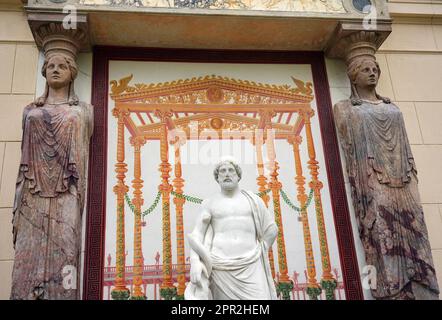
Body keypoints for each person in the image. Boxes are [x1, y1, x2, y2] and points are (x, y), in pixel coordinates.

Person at [333, 57, 439, 300]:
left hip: (404, 178)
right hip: (373, 180)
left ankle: (422, 284)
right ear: (353, 76)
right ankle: (392, 288)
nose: (372, 73)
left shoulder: (393, 107)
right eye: (365, 70)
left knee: (414, 228)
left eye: (375, 70)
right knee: (382, 230)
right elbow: (349, 146)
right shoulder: (345, 108)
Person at [10, 53, 93, 300]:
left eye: (62, 66)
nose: (56, 70)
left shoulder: (84, 111)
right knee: (27, 248)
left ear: (72, 73)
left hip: (68, 189)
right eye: (51, 66)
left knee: (67, 245)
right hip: (31, 189)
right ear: (44, 72)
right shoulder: (30, 111)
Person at [184, 157, 278, 300]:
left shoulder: (253, 200)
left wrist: (261, 250)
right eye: (222, 171)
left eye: (231, 170)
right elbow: (197, 236)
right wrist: (195, 262)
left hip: (252, 265)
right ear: (217, 177)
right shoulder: (209, 203)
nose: (227, 174)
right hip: (221, 268)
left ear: (238, 175)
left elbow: (271, 230)